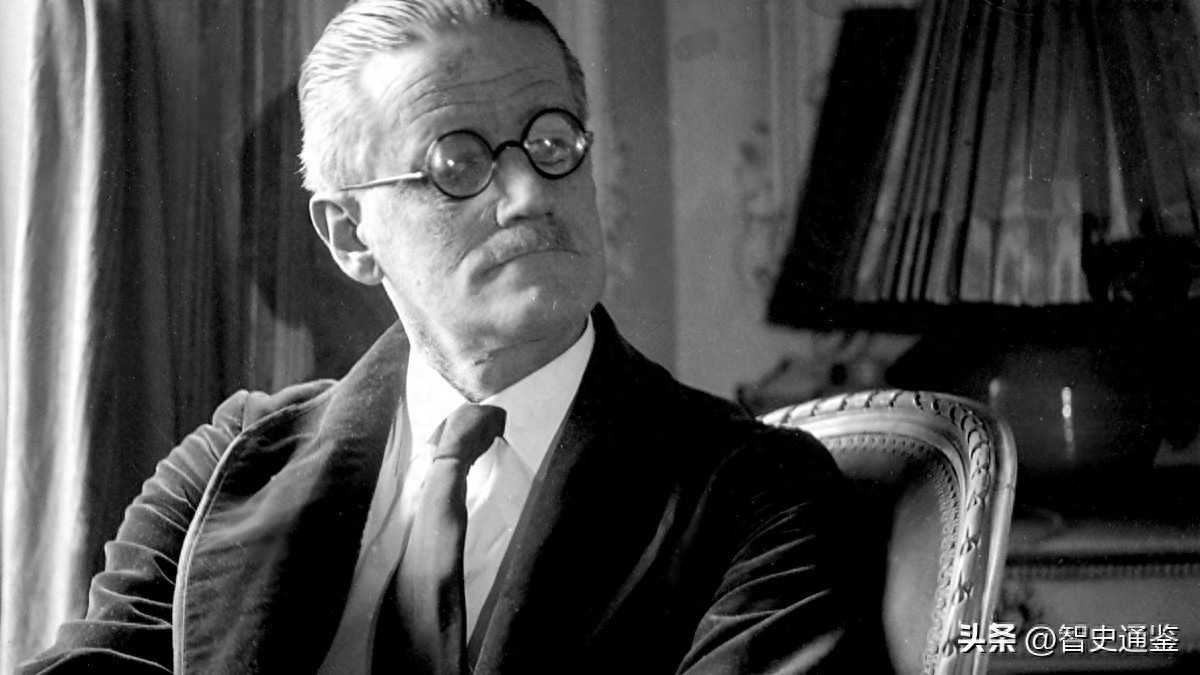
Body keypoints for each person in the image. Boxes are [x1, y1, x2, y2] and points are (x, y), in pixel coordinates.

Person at [21, 1, 860, 672]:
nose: (529, 193)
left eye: (552, 141)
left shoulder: (755, 489)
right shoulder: (229, 465)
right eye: (458, 165)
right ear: (350, 236)